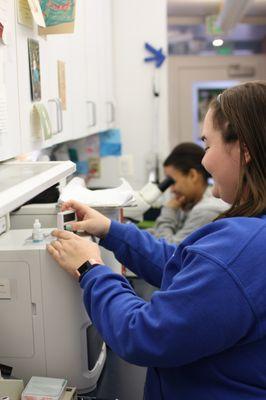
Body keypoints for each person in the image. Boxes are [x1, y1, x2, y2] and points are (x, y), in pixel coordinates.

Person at [47, 80, 266, 400]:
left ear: (243, 150)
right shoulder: (251, 234)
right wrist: (111, 230)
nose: (203, 162)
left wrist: (90, 268)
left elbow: (144, 334)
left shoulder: (243, 246)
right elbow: (188, 266)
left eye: (207, 146)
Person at [149, 142, 228, 244]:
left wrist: (169, 210)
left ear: (192, 175)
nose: (171, 189)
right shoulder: (189, 203)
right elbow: (157, 235)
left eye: (172, 182)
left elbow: (169, 253)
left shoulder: (206, 211)